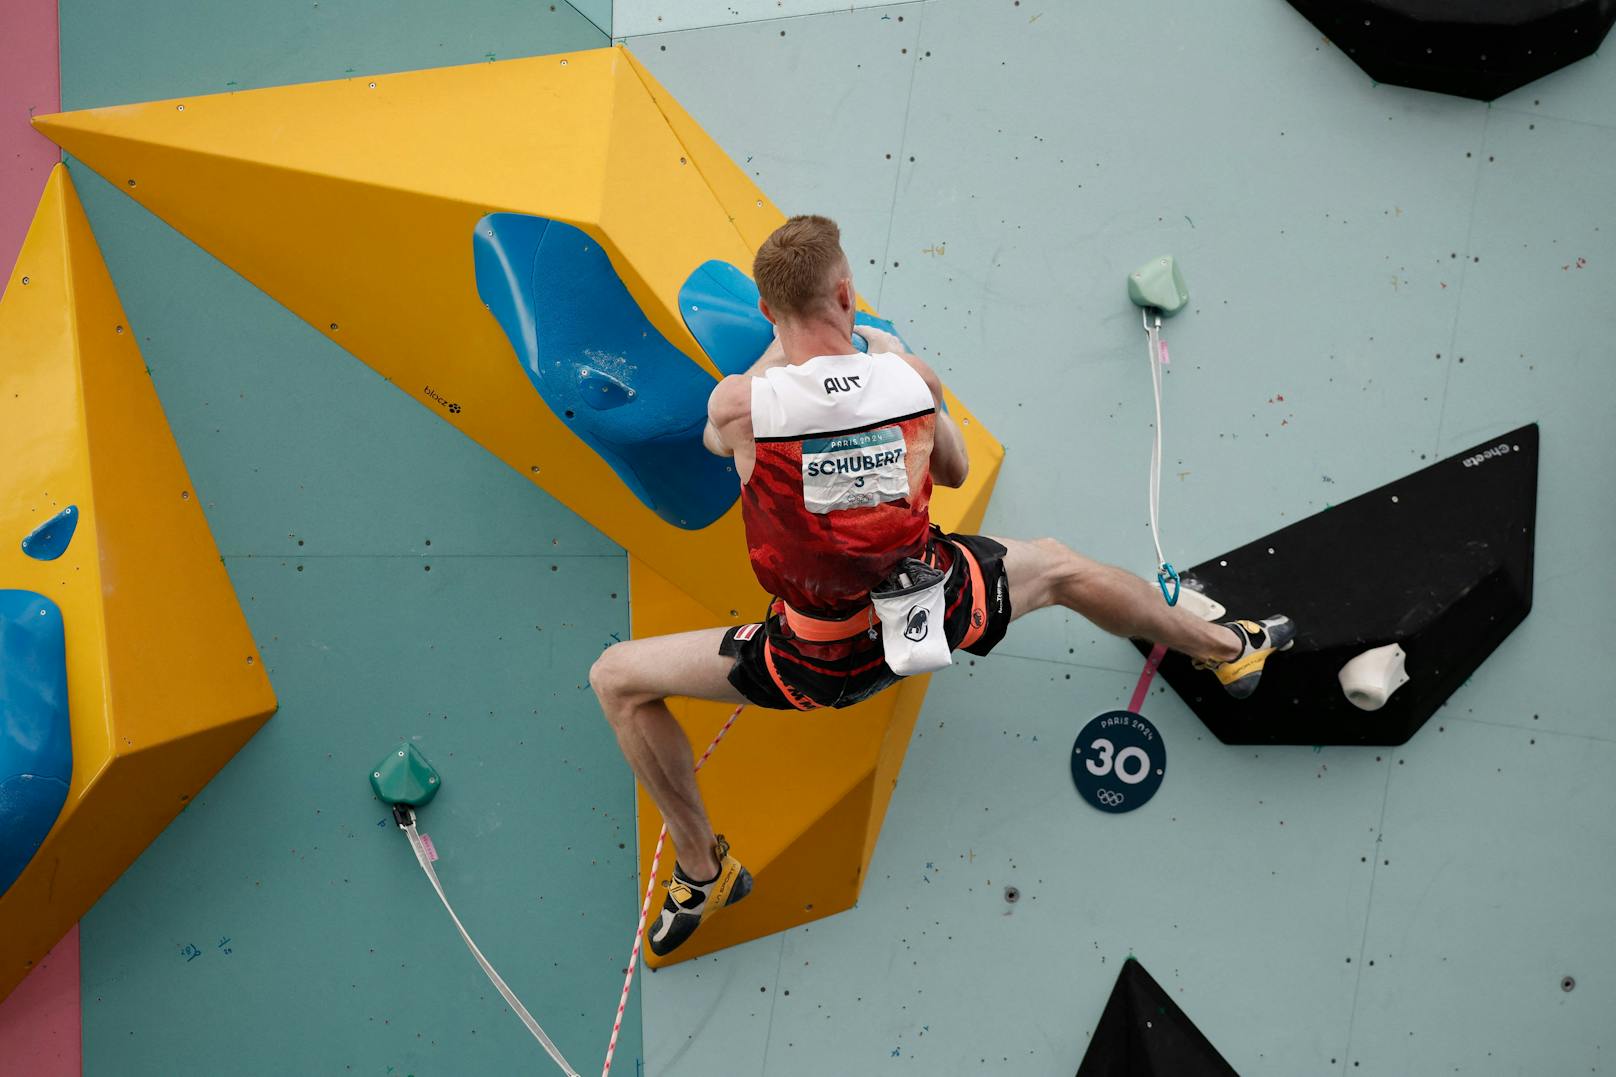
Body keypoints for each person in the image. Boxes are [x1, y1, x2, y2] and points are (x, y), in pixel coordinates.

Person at [589, 215, 1293, 957]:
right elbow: (951, 469)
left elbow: (721, 437)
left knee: (617, 680)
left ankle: (703, 869)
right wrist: (893, 360)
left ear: (767, 312)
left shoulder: (742, 407)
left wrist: (785, 359)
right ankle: (1227, 648)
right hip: (939, 602)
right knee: (1061, 568)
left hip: (815, 662)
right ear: (846, 292)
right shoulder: (909, 382)